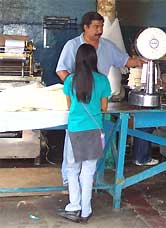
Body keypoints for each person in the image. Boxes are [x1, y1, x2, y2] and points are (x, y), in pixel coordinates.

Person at [56, 12, 145, 185]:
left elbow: (125, 61)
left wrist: (144, 61)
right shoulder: (72, 45)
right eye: (96, 27)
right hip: (79, 103)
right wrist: (76, 87)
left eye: (101, 26)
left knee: (90, 152)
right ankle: (69, 179)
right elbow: (61, 70)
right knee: (73, 148)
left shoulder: (107, 46)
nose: (100, 30)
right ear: (85, 27)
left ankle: (86, 182)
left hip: (96, 105)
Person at [57, 43, 111, 223]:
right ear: (94, 59)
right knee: (88, 171)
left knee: (72, 170)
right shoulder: (103, 80)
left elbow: (68, 105)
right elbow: (104, 107)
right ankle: (86, 211)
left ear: (77, 60)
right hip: (95, 130)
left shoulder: (70, 80)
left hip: (75, 130)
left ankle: (74, 206)